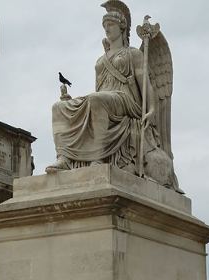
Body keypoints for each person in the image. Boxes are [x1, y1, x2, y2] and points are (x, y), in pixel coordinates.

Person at [46, 0, 182, 193]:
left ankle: (98, 157)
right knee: (58, 107)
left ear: (122, 27)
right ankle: (65, 158)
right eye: (104, 26)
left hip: (127, 101)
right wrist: (75, 104)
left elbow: (147, 86)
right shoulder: (101, 60)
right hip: (106, 100)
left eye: (110, 25)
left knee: (96, 100)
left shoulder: (133, 54)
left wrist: (152, 109)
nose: (106, 29)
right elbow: (99, 89)